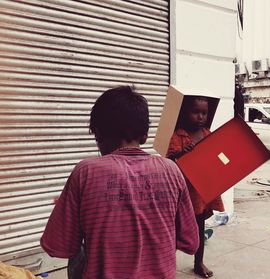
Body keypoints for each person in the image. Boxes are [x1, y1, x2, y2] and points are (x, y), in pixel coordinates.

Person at [40, 86, 199, 279]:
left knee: (81, 251)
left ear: (98, 134)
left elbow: (57, 246)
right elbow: (190, 242)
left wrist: (74, 212)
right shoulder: (171, 170)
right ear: (145, 134)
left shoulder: (86, 172)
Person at [166, 96, 225, 278]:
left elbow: (218, 157)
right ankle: (166, 264)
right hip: (182, 192)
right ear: (185, 113)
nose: (200, 116)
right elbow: (168, 160)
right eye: (195, 112)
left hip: (200, 191)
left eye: (204, 113)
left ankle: (198, 263)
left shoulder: (208, 134)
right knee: (173, 230)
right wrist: (182, 153)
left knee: (199, 228)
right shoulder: (178, 135)